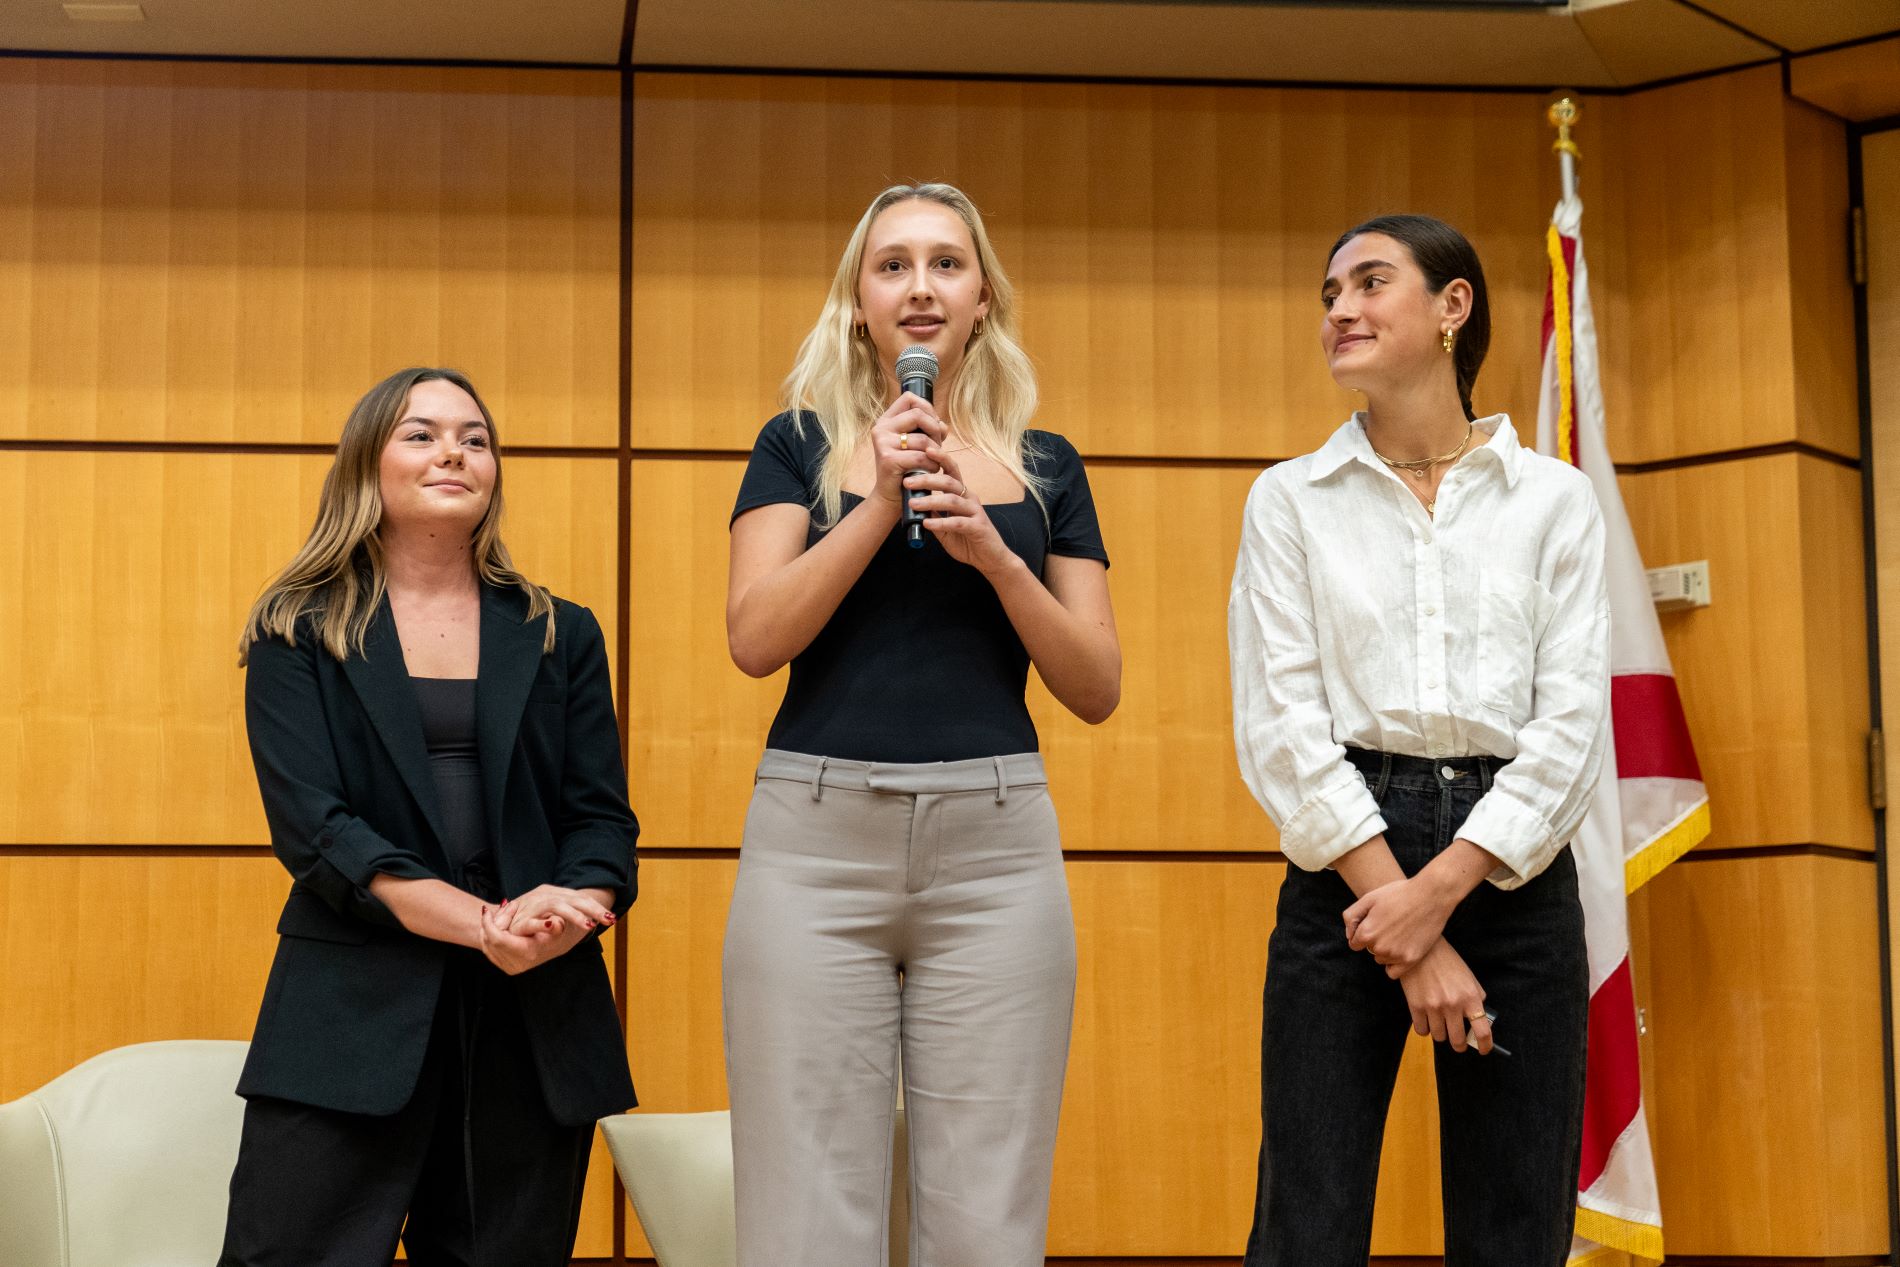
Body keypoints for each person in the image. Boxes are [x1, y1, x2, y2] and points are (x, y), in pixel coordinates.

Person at [722, 182, 1121, 1267]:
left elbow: (1094, 683)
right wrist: (879, 506)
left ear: (983, 296)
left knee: (987, 1216)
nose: (920, 285)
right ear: (858, 303)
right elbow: (756, 638)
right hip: (814, 845)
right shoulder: (794, 444)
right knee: (805, 1212)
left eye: (946, 262)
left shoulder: (1047, 467)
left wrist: (994, 555)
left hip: (996, 854)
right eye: (891, 264)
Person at [1228, 214, 1608, 1266]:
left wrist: (1438, 893)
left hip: (1512, 865)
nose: (1339, 309)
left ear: (1453, 306)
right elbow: (1280, 725)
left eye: (1368, 282)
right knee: (1307, 1219)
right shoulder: (1288, 501)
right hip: (1345, 859)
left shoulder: (1555, 501)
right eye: (1328, 292)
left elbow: (1572, 723)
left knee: (1512, 1222)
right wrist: (1403, 914)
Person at [219, 367, 638, 1267]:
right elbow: (319, 831)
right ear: (366, 466)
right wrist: (480, 923)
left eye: (474, 437)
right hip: (350, 1016)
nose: (453, 450)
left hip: (533, 1015)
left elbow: (601, 820)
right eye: (420, 433)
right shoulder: (297, 630)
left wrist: (566, 912)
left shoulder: (561, 631)